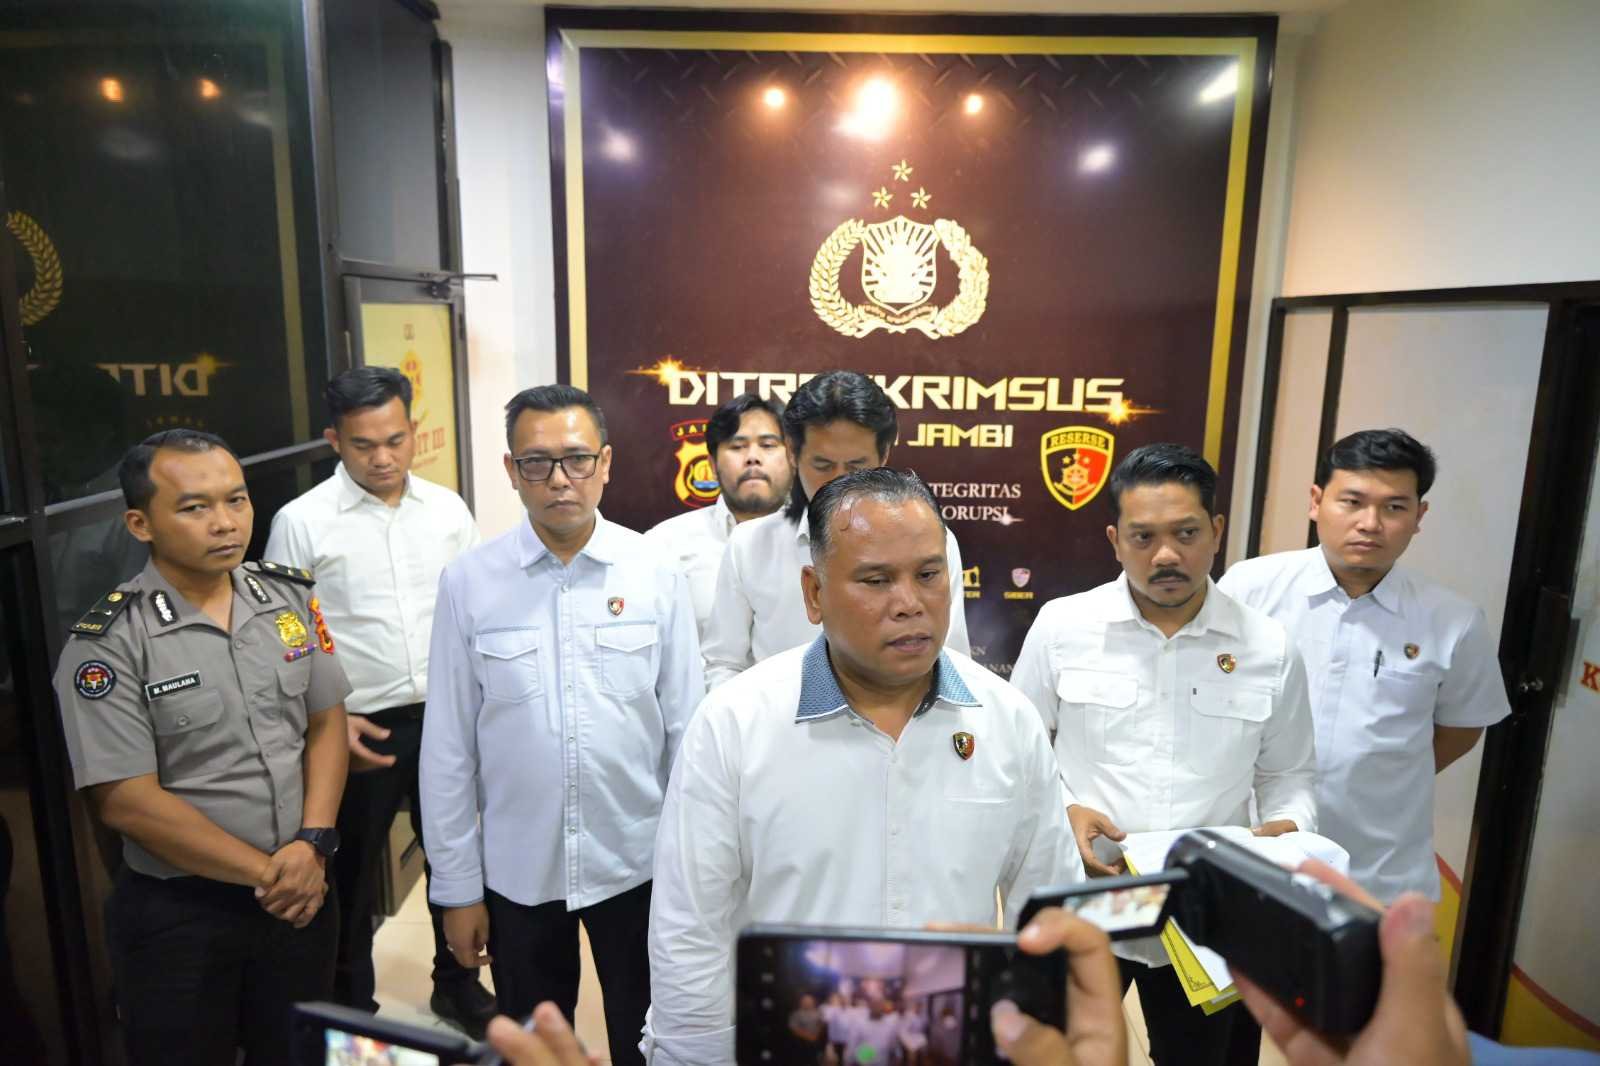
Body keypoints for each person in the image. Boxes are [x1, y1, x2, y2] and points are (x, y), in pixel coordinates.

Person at [643, 469, 1080, 1065]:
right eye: (876, 580)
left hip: (952, 1045)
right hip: (789, 1047)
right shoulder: (735, 723)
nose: (909, 604)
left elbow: (1048, 908)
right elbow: (691, 927)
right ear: (814, 593)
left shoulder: (1008, 721)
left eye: (928, 575)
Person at [421, 384, 704, 1066]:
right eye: (536, 462)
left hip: (638, 862)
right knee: (533, 1040)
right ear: (511, 470)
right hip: (519, 869)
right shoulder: (469, 582)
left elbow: (688, 733)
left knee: (651, 1038)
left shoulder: (656, 572)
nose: (559, 480)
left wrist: (697, 874)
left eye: (577, 459)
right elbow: (449, 749)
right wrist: (456, 889)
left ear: (605, 463)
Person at [1010, 442, 1317, 1066]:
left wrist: (1289, 828)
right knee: (1056, 1056)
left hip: (1208, 911)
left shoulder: (1269, 646)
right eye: (1143, 537)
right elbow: (1018, 753)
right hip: (1089, 892)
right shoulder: (1063, 627)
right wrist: (1065, 810)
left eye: (1186, 533)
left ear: (1217, 532)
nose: (1167, 555)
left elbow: (1290, 772)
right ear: (1115, 540)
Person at [51, 429, 352, 1064]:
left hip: (304, 886)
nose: (225, 523)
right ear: (140, 523)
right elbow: (126, 801)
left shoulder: (289, 599)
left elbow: (327, 721)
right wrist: (274, 875)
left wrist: (313, 843)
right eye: (195, 507)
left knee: (295, 1052)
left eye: (236, 500)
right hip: (184, 912)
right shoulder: (107, 643)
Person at [264, 367, 492, 1032]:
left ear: (413, 430)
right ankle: (351, 1009)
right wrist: (327, 720)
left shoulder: (447, 510)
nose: (384, 457)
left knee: (456, 860)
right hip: (357, 726)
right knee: (352, 877)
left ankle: (457, 985)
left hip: (449, 718)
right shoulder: (301, 522)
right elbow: (285, 631)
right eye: (364, 445)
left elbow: (478, 611)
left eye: (395, 440)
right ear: (335, 440)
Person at [1219, 429, 1512, 902]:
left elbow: (1460, 729)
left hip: (1379, 875)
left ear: (1419, 517)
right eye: (1352, 502)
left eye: (1394, 507)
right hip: (1249, 851)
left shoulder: (1452, 621)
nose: (1370, 523)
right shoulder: (1249, 588)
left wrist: (1380, 778)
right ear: (1316, 502)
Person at [701, 371, 970, 687]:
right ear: (793, 454)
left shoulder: (932, 544)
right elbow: (724, 664)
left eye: (857, 467)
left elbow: (951, 662)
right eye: (823, 466)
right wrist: (756, 716)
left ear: (884, 455)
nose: (840, 482)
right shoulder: (750, 545)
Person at [644, 393, 792, 640]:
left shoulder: (818, 541)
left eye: (768, 445)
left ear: (793, 458)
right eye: (737, 446)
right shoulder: (665, 545)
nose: (752, 457)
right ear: (712, 464)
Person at [788, 993, 828, 1064]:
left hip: (816, 1042)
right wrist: (808, 1037)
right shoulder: (796, 1014)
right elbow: (793, 1028)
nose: (808, 1003)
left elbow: (821, 1024)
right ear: (801, 1002)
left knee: (815, 1061)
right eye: (805, 1001)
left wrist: (817, 1033)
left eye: (810, 1001)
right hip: (801, 1042)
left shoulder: (818, 1012)